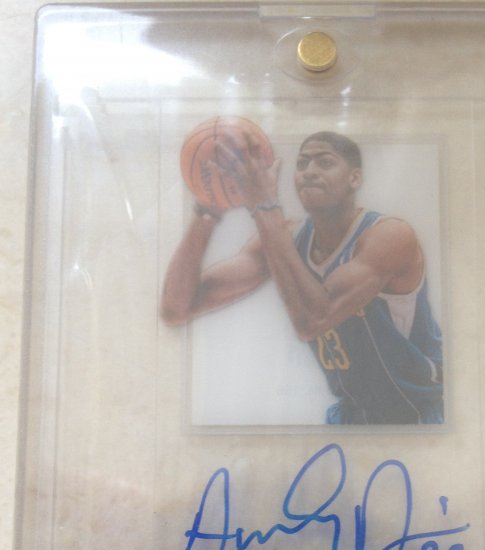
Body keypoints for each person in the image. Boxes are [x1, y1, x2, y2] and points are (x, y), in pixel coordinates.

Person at [161, 130, 443, 424]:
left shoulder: (390, 236)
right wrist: (206, 209)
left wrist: (265, 206)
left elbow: (315, 319)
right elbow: (176, 308)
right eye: (302, 163)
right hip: (352, 415)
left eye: (325, 162)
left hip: (418, 413)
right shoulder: (287, 237)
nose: (310, 171)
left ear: (354, 179)